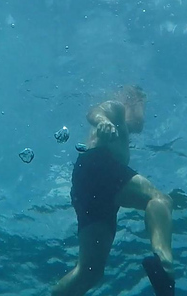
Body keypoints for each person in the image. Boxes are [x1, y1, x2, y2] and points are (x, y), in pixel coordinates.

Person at [52, 85, 175, 296]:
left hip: (88, 188)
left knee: (90, 271)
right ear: (130, 100)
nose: (143, 110)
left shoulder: (123, 128)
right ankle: (163, 261)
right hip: (99, 166)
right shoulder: (116, 109)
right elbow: (95, 112)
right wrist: (103, 121)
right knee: (158, 198)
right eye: (141, 101)